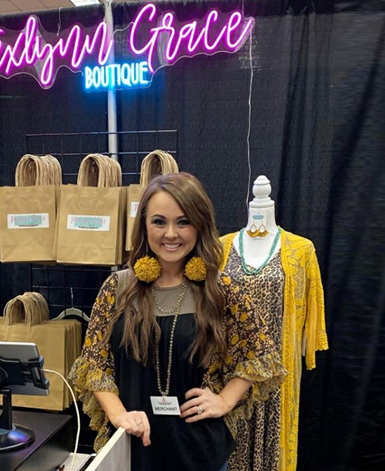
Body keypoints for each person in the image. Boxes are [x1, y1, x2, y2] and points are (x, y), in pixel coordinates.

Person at [69, 172, 286, 471]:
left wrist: (225, 400)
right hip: (133, 451)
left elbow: (262, 353)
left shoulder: (220, 290)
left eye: (183, 222)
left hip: (200, 454)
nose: (171, 233)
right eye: (159, 221)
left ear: (200, 225)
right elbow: (93, 364)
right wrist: (119, 415)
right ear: (144, 226)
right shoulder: (117, 289)